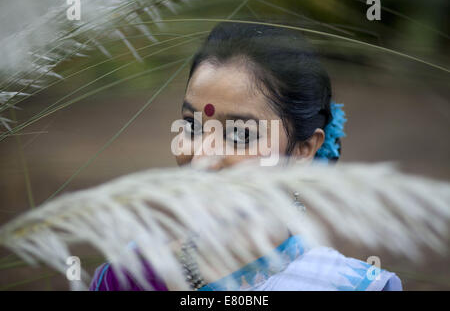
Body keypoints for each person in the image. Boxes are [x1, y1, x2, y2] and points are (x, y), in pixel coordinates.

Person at [90, 22, 402, 291]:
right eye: (192, 125)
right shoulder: (131, 274)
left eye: (240, 134)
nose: (202, 155)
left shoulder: (341, 283)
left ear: (304, 149)